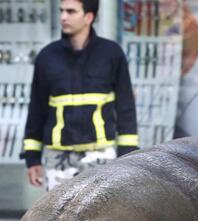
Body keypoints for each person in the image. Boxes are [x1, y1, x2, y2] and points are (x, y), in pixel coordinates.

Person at [22, 0, 138, 190]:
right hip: (58, 158)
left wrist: (128, 156)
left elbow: (126, 108)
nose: (63, 17)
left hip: (101, 156)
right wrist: (32, 158)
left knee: (101, 217)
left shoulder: (111, 54)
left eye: (71, 11)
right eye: (61, 11)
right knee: (57, 219)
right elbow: (36, 110)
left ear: (89, 17)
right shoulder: (47, 57)